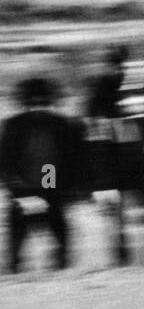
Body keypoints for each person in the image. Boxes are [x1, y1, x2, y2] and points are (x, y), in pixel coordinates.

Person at [85, 46, 144, 265]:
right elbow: (97, 137)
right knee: (125, 223)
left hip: (141, 167)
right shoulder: (103, 93)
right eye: (122, 67)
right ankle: (129, 263)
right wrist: (102, 183)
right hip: (121, 167)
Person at [0, 76, 83, 272]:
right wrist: (23, 195)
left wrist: (55, 192)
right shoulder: (14, 126)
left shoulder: (61, 125)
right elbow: (6, 162)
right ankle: (17, 266)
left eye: (41, 103)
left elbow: (68, 160)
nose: (38, 108)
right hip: (27, 186)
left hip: (49, 185)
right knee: (19, 232)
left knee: (57, 227)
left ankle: (59, 263)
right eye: (34, 103)